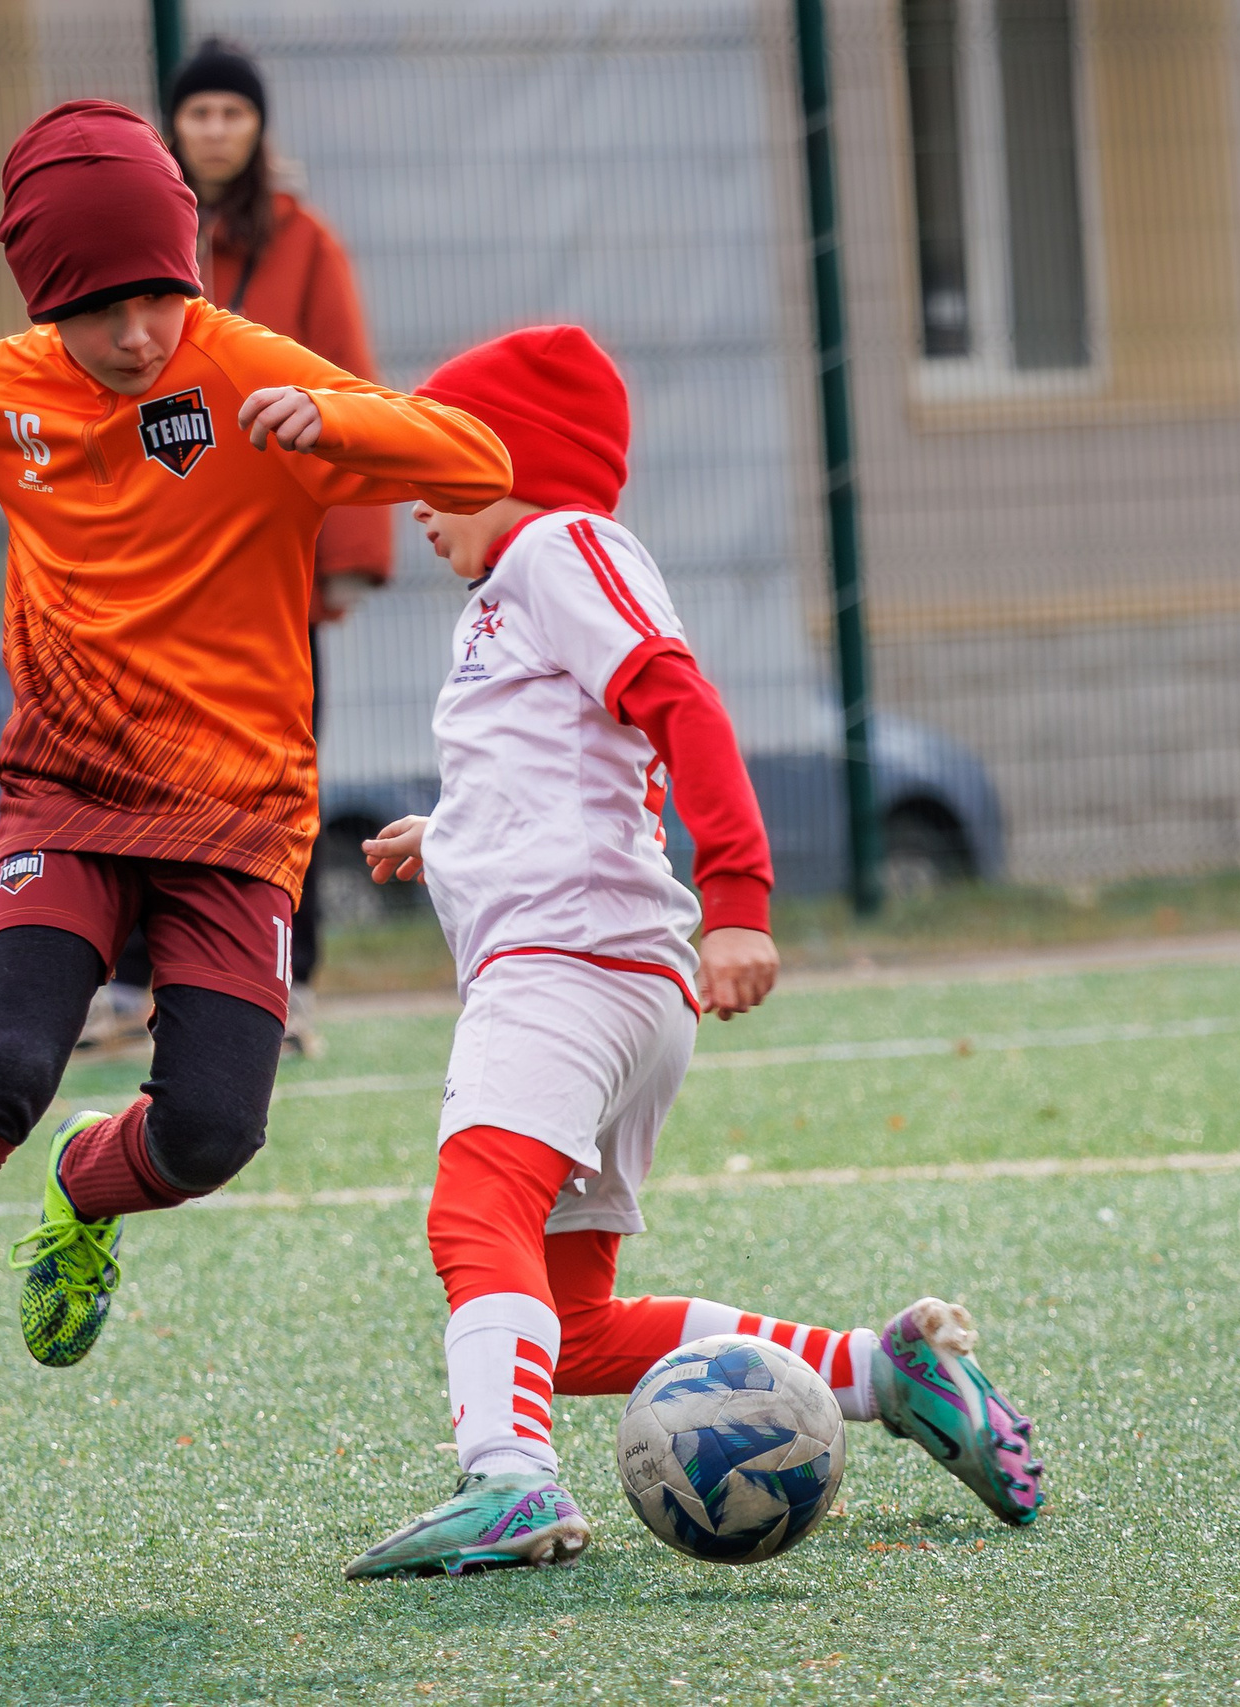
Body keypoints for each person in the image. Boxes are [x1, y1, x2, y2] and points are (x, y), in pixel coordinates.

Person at [0, 99, 511, 1513]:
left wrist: (329, 417)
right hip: (66, 797)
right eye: (100, 307)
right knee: (1, 1062)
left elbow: (479, 466)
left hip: (240, 817)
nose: (138, 333)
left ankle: (87, 1188)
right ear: (42, 300)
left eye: (159, 293)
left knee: (210, 1131)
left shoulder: (245, 367)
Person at [338, 327, 1044, 1579]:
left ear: (507, 460)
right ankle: (890, 1374)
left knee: (472, 1213)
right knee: (568, 1325)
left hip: (571, 967)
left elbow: (678, 698)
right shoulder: (513, 595)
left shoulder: (562, 546)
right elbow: (570, 774)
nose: (409, 497)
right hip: (602, 974)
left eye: (431, 459)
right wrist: (447, 839)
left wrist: (738, 897)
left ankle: (506, 1484)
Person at [84, 39, 391, 1059]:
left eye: (233, 114)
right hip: (157, 555)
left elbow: (349, 390)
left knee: (277, 770)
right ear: (172, 127)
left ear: (257, 129)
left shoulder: (307, 243)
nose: (215, 130)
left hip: (271, 558)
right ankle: (132, 982)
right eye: (199, 113)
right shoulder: (127, 238)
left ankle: (286, 981)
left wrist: (348, 548)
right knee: (139, 761)